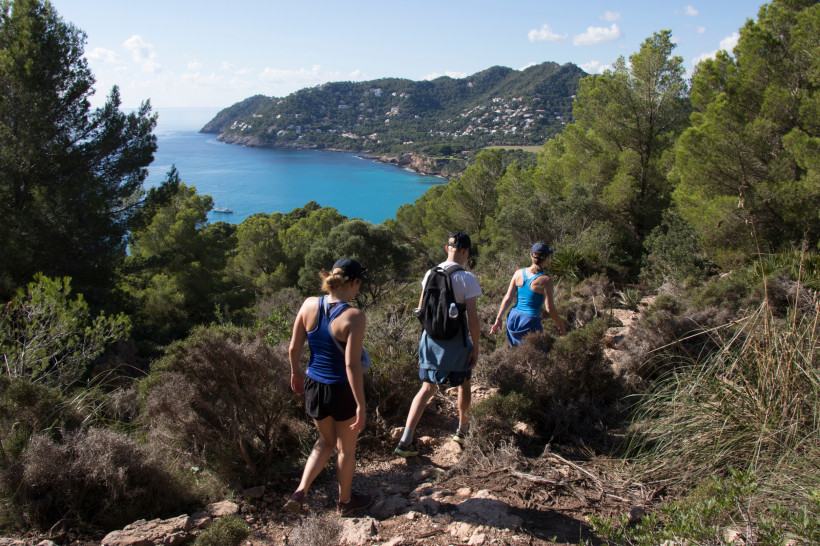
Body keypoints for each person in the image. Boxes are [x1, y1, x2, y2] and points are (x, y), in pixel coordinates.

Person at [285, 257, 372, 516]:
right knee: (346, 449)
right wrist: (361, 405)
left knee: (324, 440)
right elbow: (352, 366)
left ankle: (300, 491)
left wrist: (295, 373)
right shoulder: (354, 316)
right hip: (341, 389)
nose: (359, 289)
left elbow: (293, 347)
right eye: (359, 284)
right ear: (354, 282)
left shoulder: (310, 304)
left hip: (314, 384)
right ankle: (345, 501)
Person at [394, 232, 482, 457]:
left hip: (430, 340)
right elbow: (472, 318)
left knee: (426, 388)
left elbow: (421, 308)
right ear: (466, 251)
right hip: (457, 341)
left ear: (447, 248)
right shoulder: (467, 278)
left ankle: (405, 439)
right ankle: (462, 430)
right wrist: (476, 347)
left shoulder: (430, 273)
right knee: (463, 383)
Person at [489, 243, 567, 345]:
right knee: (537, 355)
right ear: (547, 258)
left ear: (531, 255)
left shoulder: (518, 273)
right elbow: (549, 309)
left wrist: (498, 318)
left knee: (516, 353)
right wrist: (561, 323)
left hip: (513, 317)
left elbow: (508, 298)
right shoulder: (546, 280)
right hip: (530, 321)